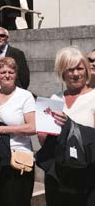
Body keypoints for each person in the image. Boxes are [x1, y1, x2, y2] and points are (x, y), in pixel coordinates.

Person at [38, 46, 95, 205]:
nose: (76, 74)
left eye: (80, 68)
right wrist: (43, 134)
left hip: (85, 177)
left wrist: (69, 126)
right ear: (62, 72)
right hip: (58, 175)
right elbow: (44, 140)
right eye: (70, 69)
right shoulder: (54, 98)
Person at [0, 57, 36, 206]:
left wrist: (5, 129)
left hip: (16, 159)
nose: (7, 75)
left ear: (16, 74)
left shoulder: (25, 96)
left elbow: (32, 127)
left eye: (11, 72)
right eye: (3, 72)